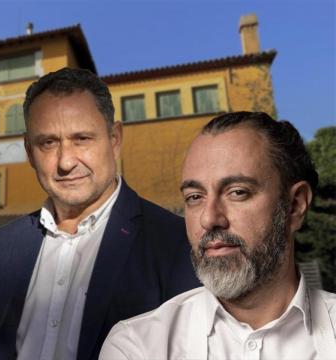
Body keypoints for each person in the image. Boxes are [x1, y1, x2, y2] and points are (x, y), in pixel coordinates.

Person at [0, 68, 200, 360]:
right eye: (48, 142)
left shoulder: (175, 244)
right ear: (28, 151)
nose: (65, 162)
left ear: (114, 139)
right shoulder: (2, 248)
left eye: (82, 139)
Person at [100, 112, 336, 359]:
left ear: (295, 205)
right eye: (195, 197)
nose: (209, 219)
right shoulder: (137, 346)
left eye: (237, 192)